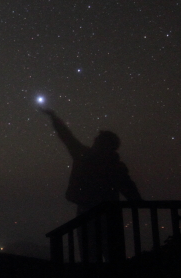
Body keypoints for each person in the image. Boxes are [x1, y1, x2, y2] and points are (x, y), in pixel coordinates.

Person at [41, 109, 142, 262]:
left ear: (104, 144)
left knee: (91, 256)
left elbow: (67, 138)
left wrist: (54, 118)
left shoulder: (86, 157)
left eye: (98, 141)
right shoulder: (114, 165)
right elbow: (130, 189)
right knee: (111, 256)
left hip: (90, 214)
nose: (94, 142)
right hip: (106, 216)